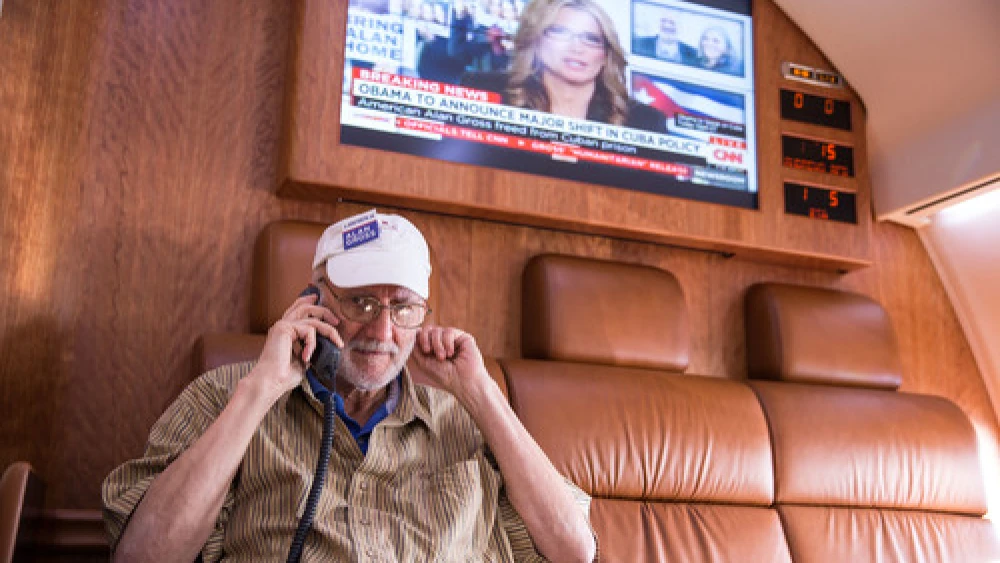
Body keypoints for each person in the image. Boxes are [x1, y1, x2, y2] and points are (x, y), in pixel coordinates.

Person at [102, 211, 597, 562]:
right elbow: (144, 555)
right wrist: (259, 391)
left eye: (402, 308)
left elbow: (575, 550)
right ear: (312, 302)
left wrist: (482, 394)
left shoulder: (468, 417)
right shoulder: (225, 396)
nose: (382, 333)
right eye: (360, 303)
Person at [464, 0, 668, 133]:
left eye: (591, 39)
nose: (576, 48)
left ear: (606, 55)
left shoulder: (645, 122)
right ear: (537, 39)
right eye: (560, 33)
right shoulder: (485, 90)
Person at [632, 11, 698, 65]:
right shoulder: (639, 43)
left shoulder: (694, 55)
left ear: (680, 27)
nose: (667, 26)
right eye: (663, 21)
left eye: (672, 23)